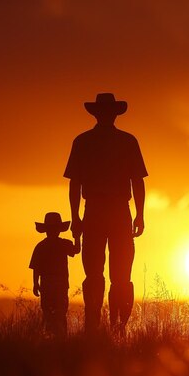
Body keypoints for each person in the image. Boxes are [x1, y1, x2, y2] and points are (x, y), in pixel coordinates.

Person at [64, 93, 148, 334]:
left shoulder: (84, 141)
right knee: (112, 274)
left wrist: (76, 217)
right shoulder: (126, 141)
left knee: (104, 273)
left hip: (101, 211)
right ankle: (112, 326)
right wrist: (139, 214)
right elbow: (137, 182)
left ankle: (107, 325)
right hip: (113, 211)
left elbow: (75, 184)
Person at [29, 212, 80, 336]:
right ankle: (59, 339)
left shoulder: (41, 246)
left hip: (49, 284)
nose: (53, 231)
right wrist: (77, 237)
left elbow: (36, 268)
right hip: (57, 284)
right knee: (58, 313)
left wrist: (36, 284)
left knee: (51, 314)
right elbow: (77, 250)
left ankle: (52, 339)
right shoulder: (62, 244)